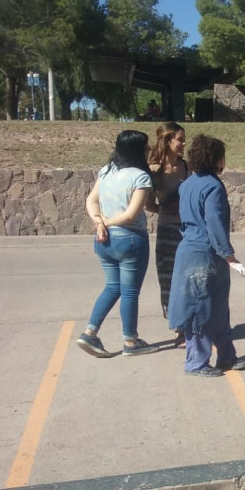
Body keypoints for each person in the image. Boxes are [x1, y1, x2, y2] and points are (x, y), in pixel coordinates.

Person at [167, 135, 245, 377]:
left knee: (217, 308)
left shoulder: (187, 184)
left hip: (190, 250)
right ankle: (196, 363)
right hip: (205, 255)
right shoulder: (213, 186)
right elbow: (214, 224)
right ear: (216, 158)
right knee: (202, 311)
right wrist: (230, 257)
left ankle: (227, 357)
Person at [76, 130, 159, 358]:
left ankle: (89, 332)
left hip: (104, 240)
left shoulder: (107, 171)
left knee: (112, 287)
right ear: (137, 150)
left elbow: (91, 200)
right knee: (130, 293)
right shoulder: (141, 177)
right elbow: (132, 215)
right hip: (130, 240)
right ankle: (130, 341)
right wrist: (108, 222)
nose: (149, 150)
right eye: (146, 146)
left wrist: (99, 222)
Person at [146, 122, 188, 347]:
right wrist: (163, 209)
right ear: (168, 141)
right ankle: (177, 328)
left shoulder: (187, 167)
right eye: (180, 139)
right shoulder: (154, 171)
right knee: (169, 281)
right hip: (166, 232)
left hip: (188, 231)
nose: (183, 144)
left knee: (188, 280)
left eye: (183, 139)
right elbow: (147, 203)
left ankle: (188, 324)